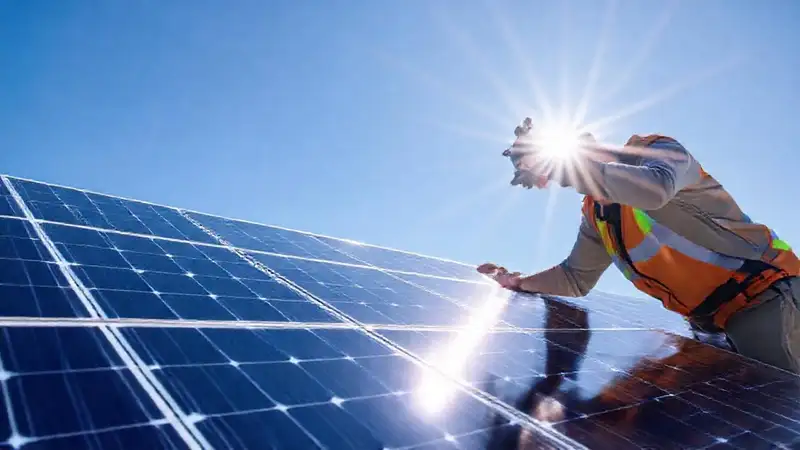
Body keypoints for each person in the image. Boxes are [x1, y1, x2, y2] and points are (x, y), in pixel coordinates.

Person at [478, 118, 800, 373]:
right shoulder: (598, 215)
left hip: (769, 299)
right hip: (714, 325)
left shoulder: (656, 150)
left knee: (783, 410)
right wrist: (518, 282)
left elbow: (655, 190)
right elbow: (574, 278)